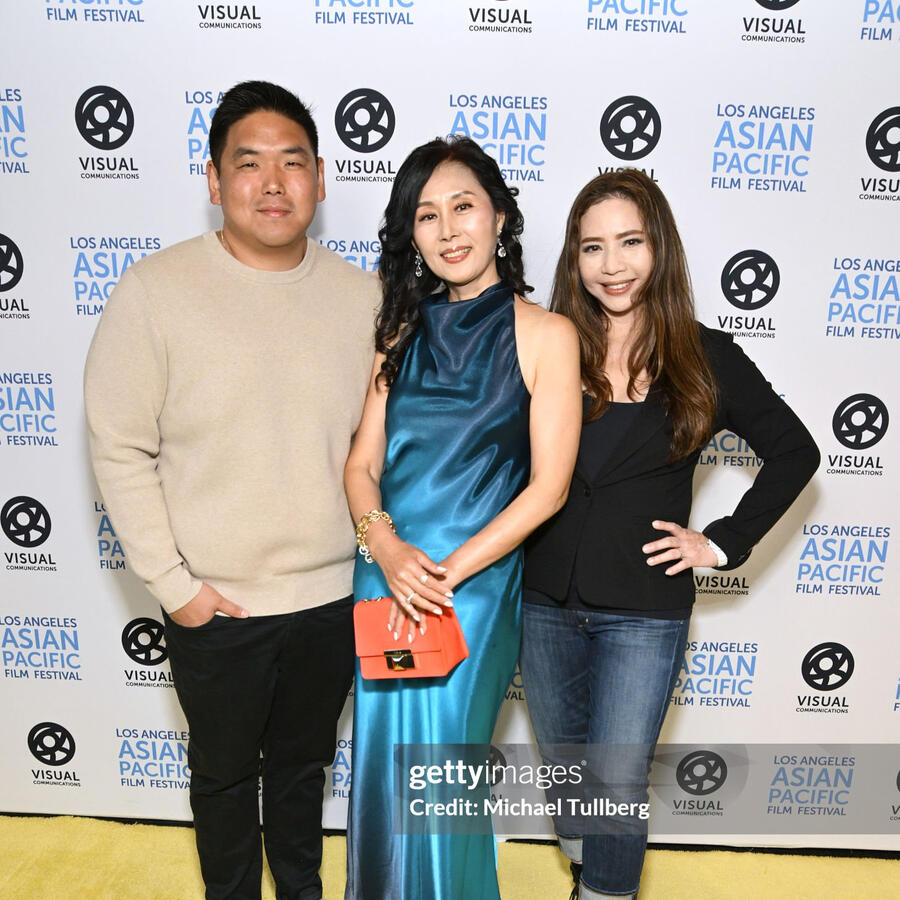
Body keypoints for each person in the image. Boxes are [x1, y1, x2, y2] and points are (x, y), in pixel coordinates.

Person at [84, 81, 380, 900]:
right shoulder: (153, 291)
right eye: (249, 164)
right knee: (221, 780)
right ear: (214, 180)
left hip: (329, 600)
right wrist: (178, 591)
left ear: (320, 178)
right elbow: (118, 447)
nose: (274, 182)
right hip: (217, 607)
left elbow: (382, 450)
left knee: (300, 773)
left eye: (293, 162)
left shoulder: (366, 299)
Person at [521, 170, 820, 900]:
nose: (612, 265)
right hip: (541, 597)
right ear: (573, 259)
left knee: (618, 779)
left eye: (630, 242)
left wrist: (718, 542)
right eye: (593, 247)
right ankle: (588, 865)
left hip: (644, 610)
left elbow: (796, 452)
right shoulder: (548, 343)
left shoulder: (705, 354)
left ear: (661, 248)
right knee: (568, 779)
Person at [342, 136, 582, 900]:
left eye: (464, 207)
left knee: (443, 774)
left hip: (468, 591)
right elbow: (360, 465)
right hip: (386, 578)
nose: (448, 230)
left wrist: (444, 572)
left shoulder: (546, 335)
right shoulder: (399, 335)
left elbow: (548, 489)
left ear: (502, 218)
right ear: (409, 236)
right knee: (383, 767)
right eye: (426, 216)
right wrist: (382, 544)